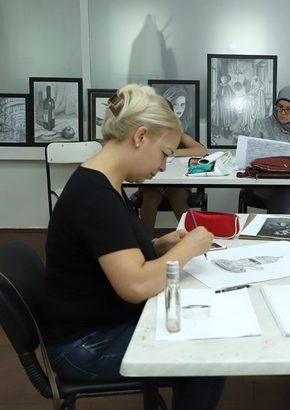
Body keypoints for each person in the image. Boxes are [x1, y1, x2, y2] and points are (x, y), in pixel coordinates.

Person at [41, 84, 225, 410]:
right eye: (165, 154)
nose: (164, 167)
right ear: (140, 137)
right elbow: (137, 285)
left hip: (95, 326)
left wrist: (158, 244)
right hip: (86, 346)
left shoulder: (101, 183)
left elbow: (109, 250)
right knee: (207, 355)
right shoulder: (94, 196)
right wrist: (189, 247)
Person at [138, 96, 206, 232]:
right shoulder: (145, 134)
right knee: (149, 201)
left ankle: (193, 236)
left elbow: (201, 150)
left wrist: (172, 152)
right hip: (153, 183)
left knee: (178, 197)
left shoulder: (177, 134)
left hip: (177, 183)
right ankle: (145, 241)